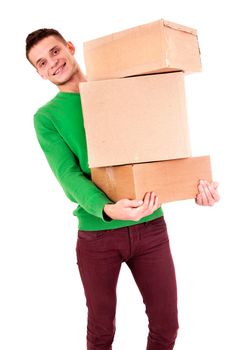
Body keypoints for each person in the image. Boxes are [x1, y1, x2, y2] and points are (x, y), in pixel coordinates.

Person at [26, 28, 220, 350]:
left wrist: (192, 186)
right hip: (98, 235)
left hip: (150, 226)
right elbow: (68, 175)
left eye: (56, 51)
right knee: (102, 331)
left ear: (70, 47)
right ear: (39, 73)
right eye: (42, 63)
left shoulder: (120, 88)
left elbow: (162, 141)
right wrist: (107, 209)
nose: (53, 63)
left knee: (166, 326)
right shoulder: (46, 117)